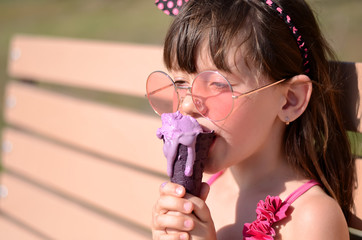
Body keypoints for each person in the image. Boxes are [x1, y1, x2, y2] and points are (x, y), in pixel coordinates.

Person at [148, 0, 356, 239]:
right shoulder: (204, 193)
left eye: (217, 84)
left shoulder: (311, 219)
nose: (186, 105)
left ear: (290, 100)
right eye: (181, 84)